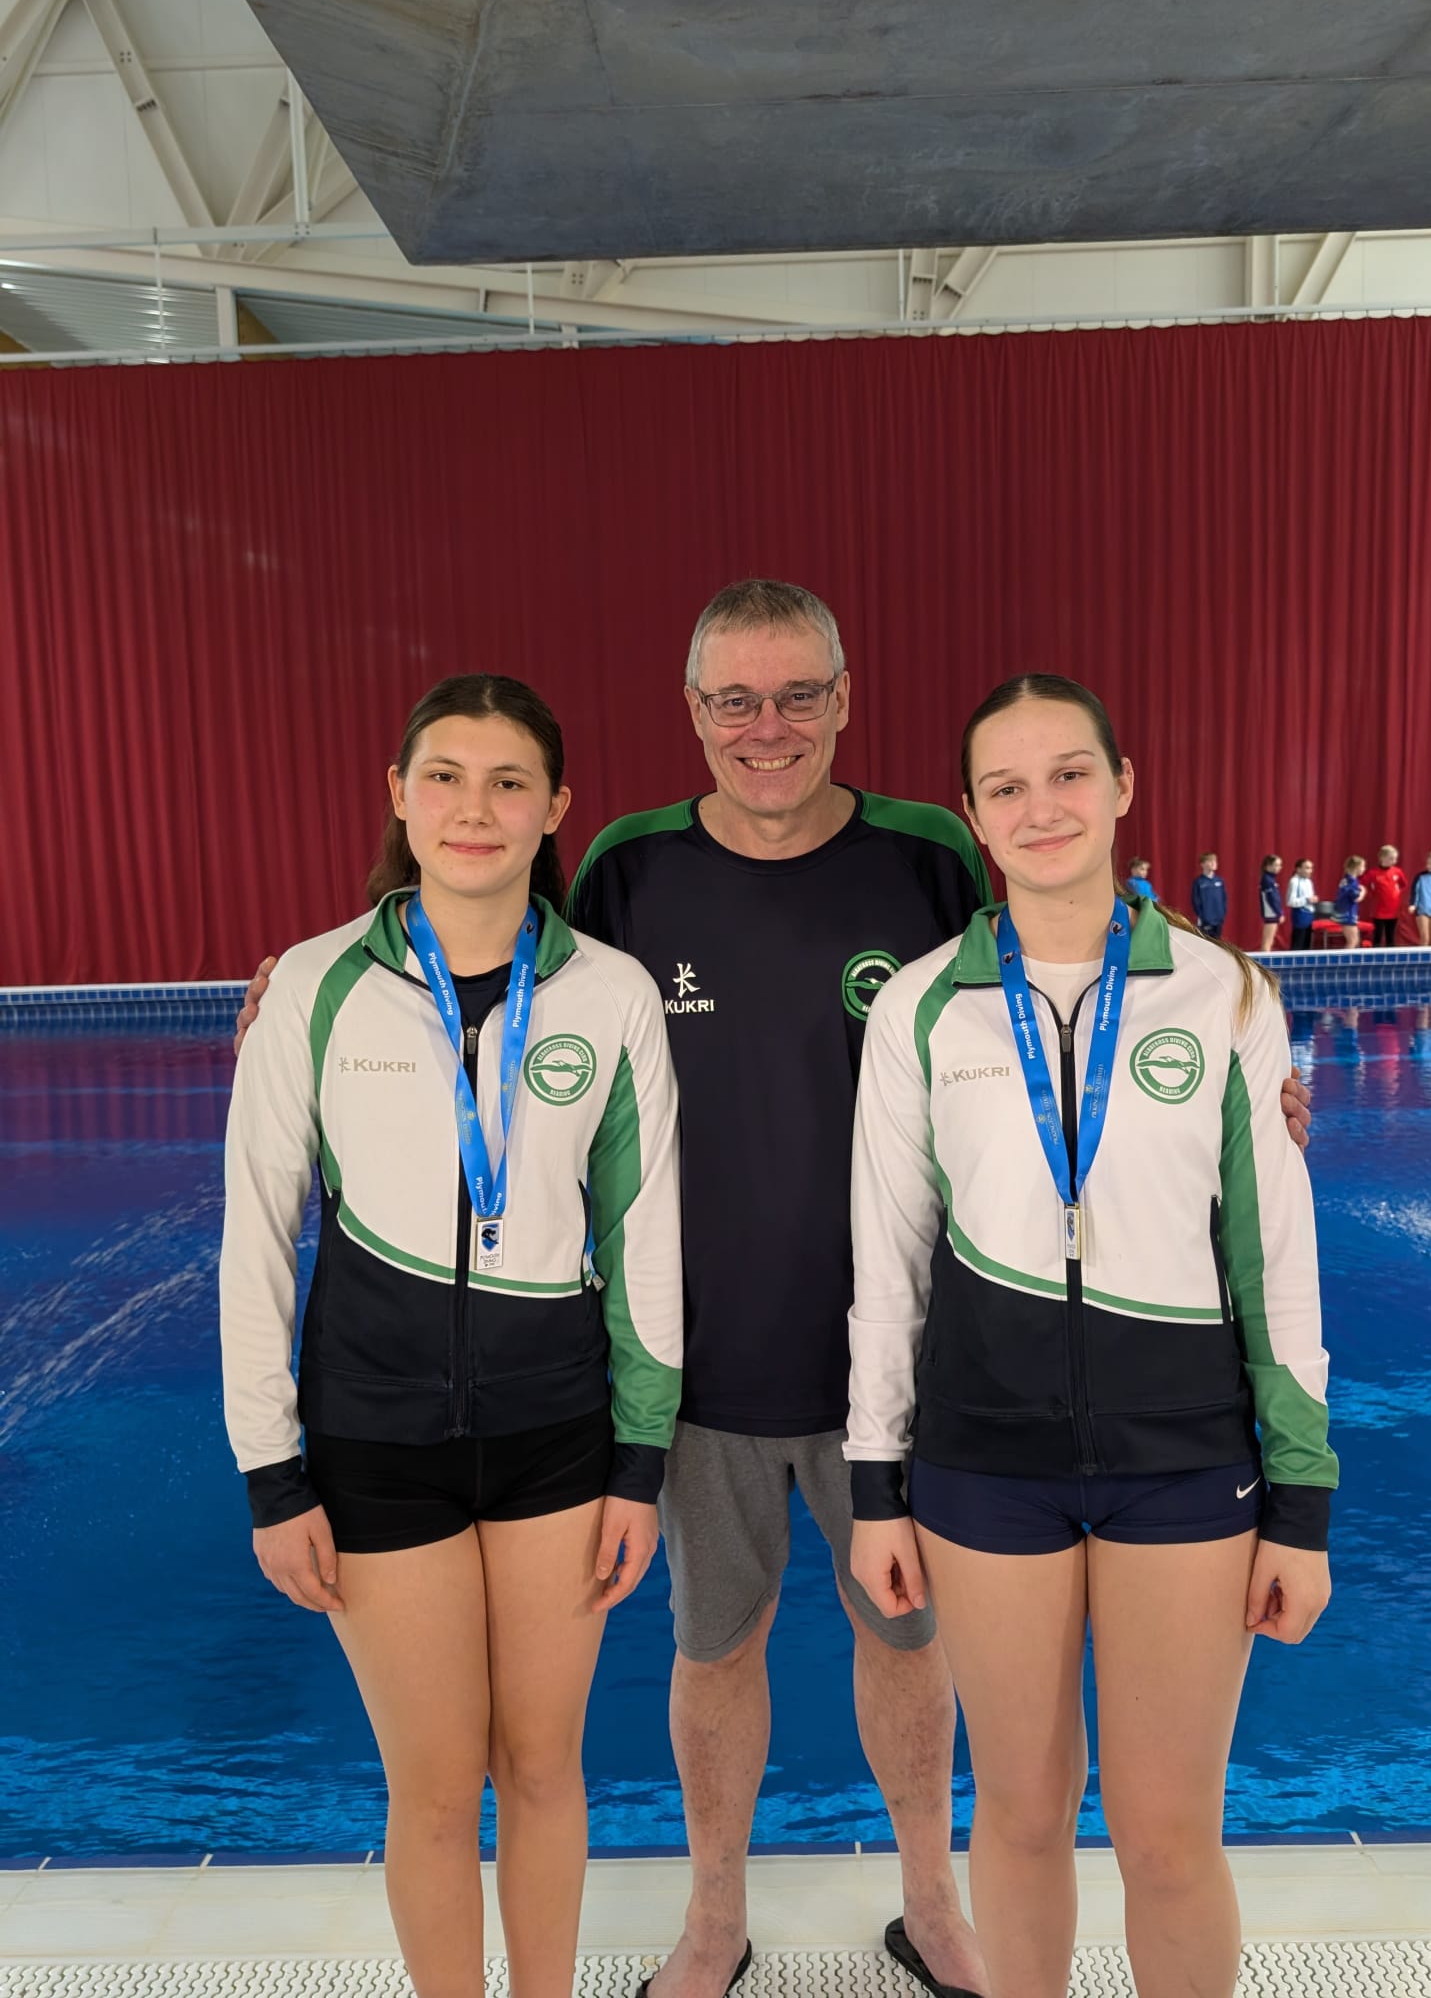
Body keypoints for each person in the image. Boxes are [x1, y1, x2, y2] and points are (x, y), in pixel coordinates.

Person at [233, 584, 1313, 1998]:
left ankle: (934, 1899)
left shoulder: (930, 854)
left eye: (799, 694)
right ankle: (713, 1915)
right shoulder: (626, 865)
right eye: (733, 700)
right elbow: (477, 935)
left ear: (846, 700)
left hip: (918, 1376)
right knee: (713, 1652)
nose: (768, 727)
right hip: (698, 1370)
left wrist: (1241, 1060)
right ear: (690, 713)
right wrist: (306, 982)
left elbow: (1066, 937)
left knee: (908, 1651)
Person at [846, 673, 1335, 1998]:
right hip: (983, 1464)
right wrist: (877, 1488)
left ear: (1124, 786)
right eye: (1006, 785)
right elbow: (886, 1268)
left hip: (1185, 1459)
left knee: (1169, 1835)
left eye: (1070, 773)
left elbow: (1278, 1257)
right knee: (1017, 1813)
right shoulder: (924, 1010)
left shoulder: (1226, 996)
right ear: (972, 818)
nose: (1041, 805)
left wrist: (1301, 1500)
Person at [221, 675, 683, 1998]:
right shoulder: (314, 990)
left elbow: (647, 1238)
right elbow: (255, 1241)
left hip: (558, 1441)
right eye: (444, 777)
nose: (472, 808)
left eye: (507, 783)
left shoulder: (608, 996)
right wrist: (272, 1472)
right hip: (372, 1446)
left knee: (542, 1766)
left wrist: (638, 1462)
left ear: (555, 811)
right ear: (399, 796)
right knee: (431, 1791)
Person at [1362, 845, 1408, 947]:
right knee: (1377, 936)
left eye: (1395, 859)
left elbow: (1404, 885)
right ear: (1382, 857)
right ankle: (1375, 958)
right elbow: (1363, 884)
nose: (1394, 861)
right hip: (1378, 911)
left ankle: (1391, 960)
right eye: (1391, 858)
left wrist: (1396, 893)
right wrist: (1372, 894)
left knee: (1390, 936)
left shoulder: (1397, 872)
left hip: (1393, 910)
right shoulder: (1373, 873)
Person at [1190, 852, 1227, 940]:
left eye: (1215, 861)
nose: (1213, 863)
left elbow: (1224, 899)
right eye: (1210, 861)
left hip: (1218, 920)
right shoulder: (1199, 882)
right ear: (1202, 864)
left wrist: (1222, 914)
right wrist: (1202, 916)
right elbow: (1195, 901)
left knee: (1218, 943)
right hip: (1205, 920)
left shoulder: (1220, 881)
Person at [1335, 856, 1366, 950]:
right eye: (1363, 866)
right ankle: (1344, 962)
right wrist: (1363, 891)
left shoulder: (1347, 880)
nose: (1364, 869)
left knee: (1355, 941)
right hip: (1348, 915)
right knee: (1352, 941)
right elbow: (1356, 897)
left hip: (1347, 913)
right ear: (1356, 867)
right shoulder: (1351, 881)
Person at [1285, 858, 1317, 951]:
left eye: (1311, 868)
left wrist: (1312, 900)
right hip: (1299, 915)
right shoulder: (1294, 881)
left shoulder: (1309, 882)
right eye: (1307, 868)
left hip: (1309, 915)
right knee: (1298, 943)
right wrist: (1306, 900)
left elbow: (1310, 899)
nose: (1310, 871)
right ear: (1298, 869)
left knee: (1307, 943)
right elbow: (1290, 901)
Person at [1258, 855, 1284, 953]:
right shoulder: (1267, 880)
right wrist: (1279, 913)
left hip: (1272, 913)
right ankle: (1264, 964)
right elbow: (1272, 899)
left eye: (1280, 865)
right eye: (1276, 865)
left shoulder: (1270, 879)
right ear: (1268, 866)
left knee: (1269, 940)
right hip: (1271, 913)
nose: (1279, 868)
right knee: (1267, 941)